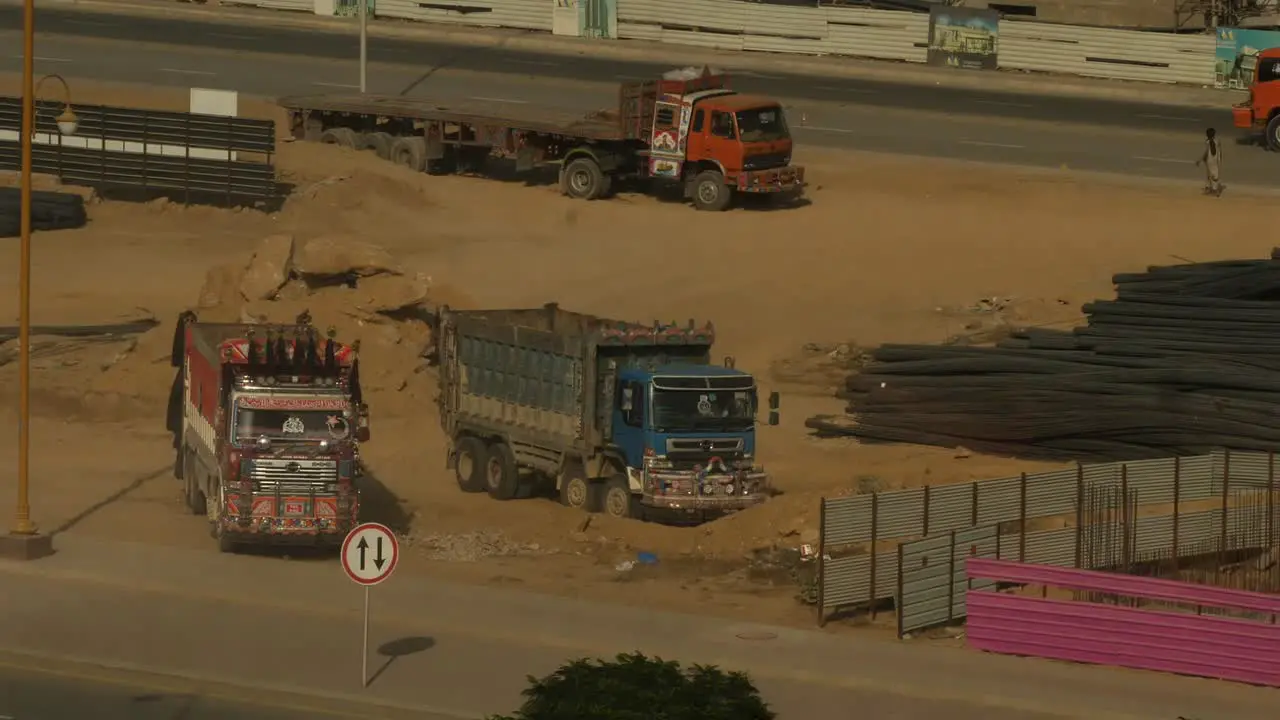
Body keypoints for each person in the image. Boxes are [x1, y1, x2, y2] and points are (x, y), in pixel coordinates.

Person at [1195, 128, 1223, 196]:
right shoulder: (1217, 141)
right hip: (1214, 160)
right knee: (1212, 174)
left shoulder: (1208, 142)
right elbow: (1219, 151)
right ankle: (1210, 188)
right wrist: (1220, 159)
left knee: (1212, 174)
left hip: (1210, 160)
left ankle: (1214, 190)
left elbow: (1206, 152)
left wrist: (1201, 160)